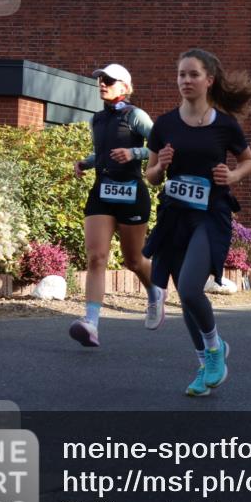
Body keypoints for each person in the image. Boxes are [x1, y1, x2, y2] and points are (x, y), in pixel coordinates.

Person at [143, 49, 251, 397]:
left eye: (193, 74)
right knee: (186, 297)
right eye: (181, 75)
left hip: (211, 216)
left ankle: (214, 350)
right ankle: (204, 362)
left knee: (192, 288)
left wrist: (231, 174)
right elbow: (149, 176)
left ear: (209, 80)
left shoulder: (225, 125)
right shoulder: (164, 125)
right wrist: (160, 166)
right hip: (175, 217)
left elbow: (248, 160)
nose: (186, 81)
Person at [69, 63, 164, 348]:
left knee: (133, 260)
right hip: (102, 192)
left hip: (132, 192)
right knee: (96, 257)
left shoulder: (136, 115)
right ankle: (91, 323)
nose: (102, 83)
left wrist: (134, 152)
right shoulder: (97, 119)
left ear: (124, 86)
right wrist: (86, 162)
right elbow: (103, 153)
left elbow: (162, 145)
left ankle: (155, 291)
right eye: (100, 79)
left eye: (108, 80)